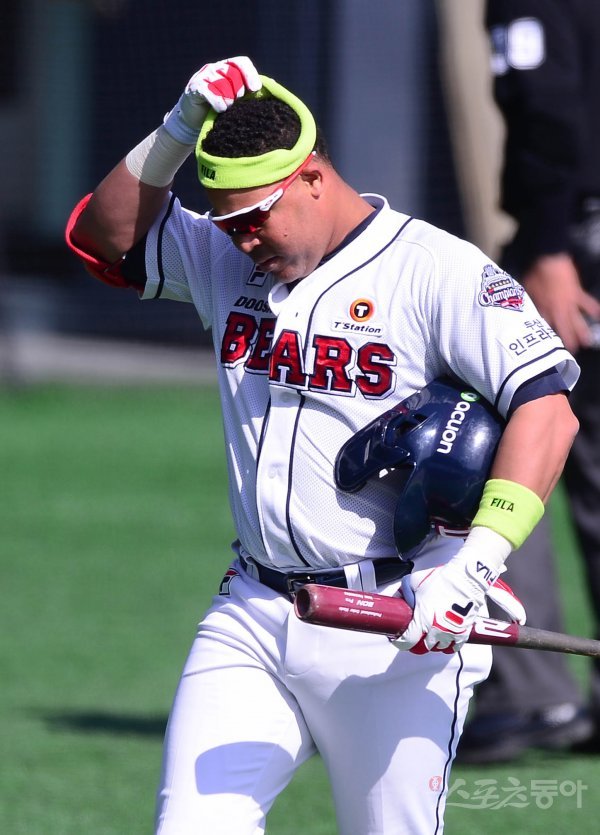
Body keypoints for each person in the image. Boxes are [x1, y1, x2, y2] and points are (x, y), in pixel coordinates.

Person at [66, 57, 579, 834]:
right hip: (254, 608)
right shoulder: (225, 255)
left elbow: (547, 408)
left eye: (255, 217)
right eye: (226, 221)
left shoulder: (434, 268)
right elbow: (104, 236)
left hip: (397, 624)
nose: (240, 240)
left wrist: (476, 562)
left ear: (311, 177)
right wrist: (177, 126)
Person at [457, 0, 600, 764]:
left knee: (496, 436)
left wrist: (547, 244)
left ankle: (528, 690)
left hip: (575, 245)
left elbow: (544, 104)